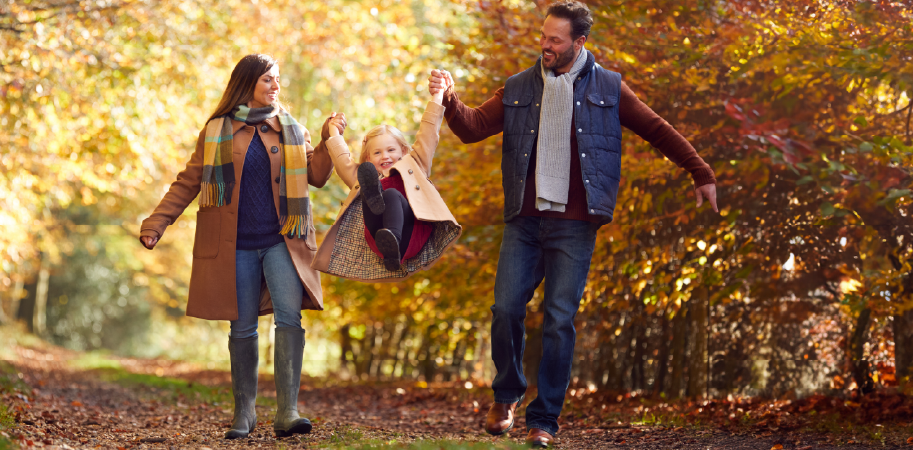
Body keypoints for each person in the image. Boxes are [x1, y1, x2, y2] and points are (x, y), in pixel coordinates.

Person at [428, 2, 719, 447]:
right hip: (524, 221)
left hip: (575, 224)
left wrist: (701, 172)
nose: (544, 45)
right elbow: (472, 128)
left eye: (555, 40)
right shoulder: (519, 86)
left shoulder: (609, 88)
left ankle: (543, 420)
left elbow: (657, 129)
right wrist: (449, 97)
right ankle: (506, 396)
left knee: (559, 320)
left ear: (578, 43)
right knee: (505, 310)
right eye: (543, 36)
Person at [139, 54, 337, 440]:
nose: (275, 86)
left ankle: (287, 412)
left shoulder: (293, 129)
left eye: (277, 79)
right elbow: (188, 182)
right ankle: (244, 412)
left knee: (289, 319)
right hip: (235, 247)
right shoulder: (218, 130)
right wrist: (156, 223)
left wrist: (328, 140)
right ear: (247, 84)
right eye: (267, 80)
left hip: (283, 240)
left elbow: (316, 177)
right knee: (242, 327)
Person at [310, 80, 461, 280]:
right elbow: (342, 161)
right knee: (366, 189)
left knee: (390, 195)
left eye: (391, 150)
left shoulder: (415, 164)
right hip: (378, 240)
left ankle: (393, 240)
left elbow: (428, 133)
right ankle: (387, 241)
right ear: (368, 158)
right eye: (378, 152)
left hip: (411, 234)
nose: (385, 156)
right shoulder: (364, 177)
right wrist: (333, 132)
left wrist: (438, 95)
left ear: (403, 151)